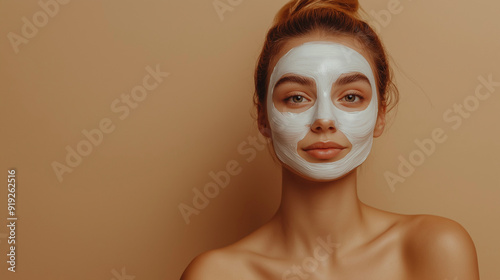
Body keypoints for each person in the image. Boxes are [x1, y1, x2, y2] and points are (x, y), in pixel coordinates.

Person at [181, 0, 480, 279]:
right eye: (297, 97)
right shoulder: (217, 273)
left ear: (380, 115)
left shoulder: (437, 250)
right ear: (263, 118)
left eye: (350, 96)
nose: (324, 119)